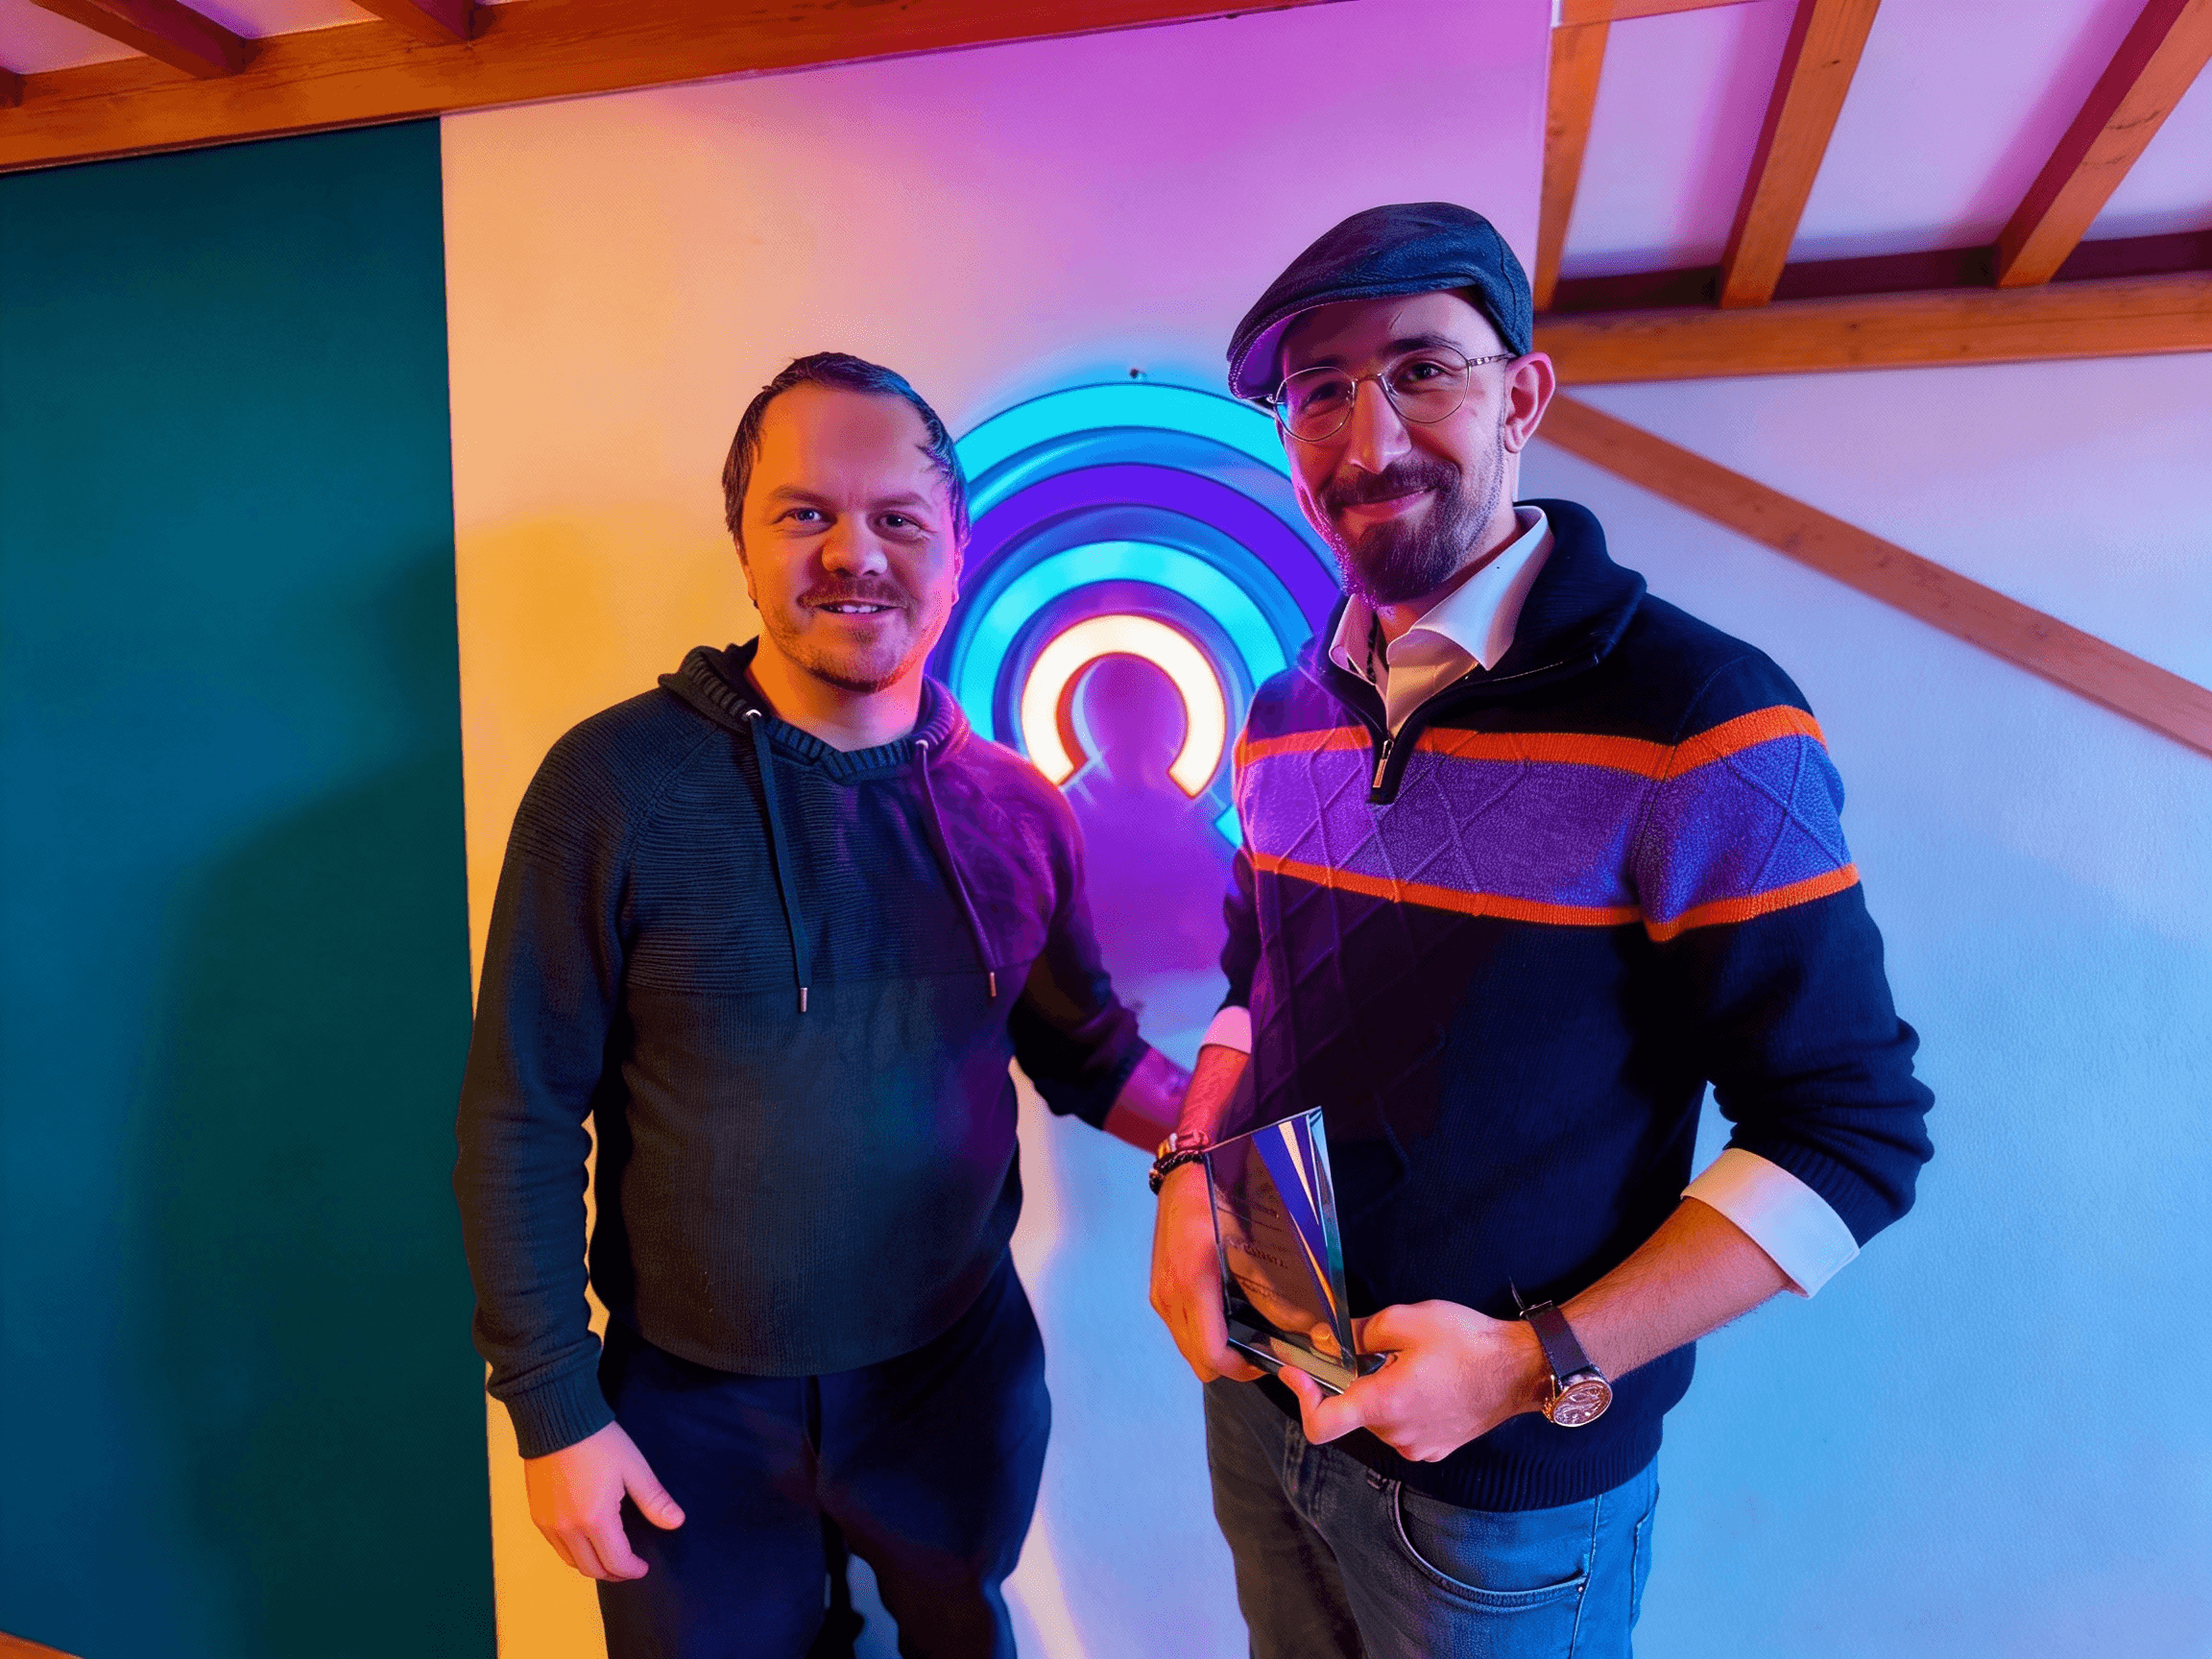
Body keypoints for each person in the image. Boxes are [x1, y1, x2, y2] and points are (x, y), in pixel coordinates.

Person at [1147, 204, 1935, 1659]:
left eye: (1421, 371)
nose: (1368, 438)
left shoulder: (1701, 720)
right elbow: (1257, 980)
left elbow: (1851, 1137)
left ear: (1521, 396)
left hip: (1500, 1507)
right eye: (1320, 391)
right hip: (1266, 1419)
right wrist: (1192, 1169)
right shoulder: (1277, 717)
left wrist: (1528, 1366)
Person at [455, 351, 1186, 1659]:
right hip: (689, 1418)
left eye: (897, 519)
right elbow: (519, 1112)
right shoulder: (613, 784)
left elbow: (1086, 1053)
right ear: (742, 538)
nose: (854, 553)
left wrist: (1234, 1142)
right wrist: (554, 1410)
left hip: (951, 1394)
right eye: (806, 513)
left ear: (955, 549)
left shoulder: (1020, 808)